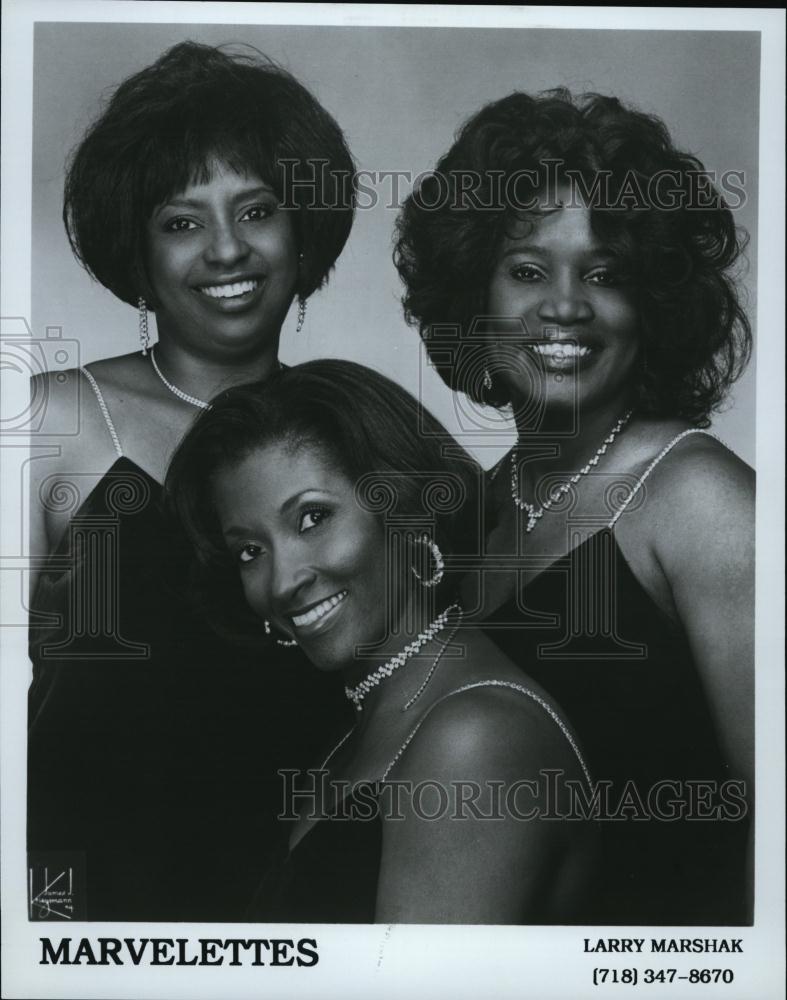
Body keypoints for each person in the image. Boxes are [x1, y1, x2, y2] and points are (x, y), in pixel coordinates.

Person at [394, 89, 754, 924]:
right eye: (526, 271)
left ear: (654, 304)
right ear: (472, 299)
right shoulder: (476, 512)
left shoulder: (700, 502)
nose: (564, 305)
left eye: (604, 274)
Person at [27, 41, 355, 920]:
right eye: (181, 222)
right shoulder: (55, 420)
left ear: (301, 230)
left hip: (285, 924)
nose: (225, 251)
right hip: (75, 918)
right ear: (135, 248)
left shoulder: (353, 440)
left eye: (256, 212)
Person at [166, 359, 599, 924]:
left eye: (312, 518)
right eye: (250, 550)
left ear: (404, 504)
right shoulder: (365, 719)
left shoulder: (473, 740)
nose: (283, 580)